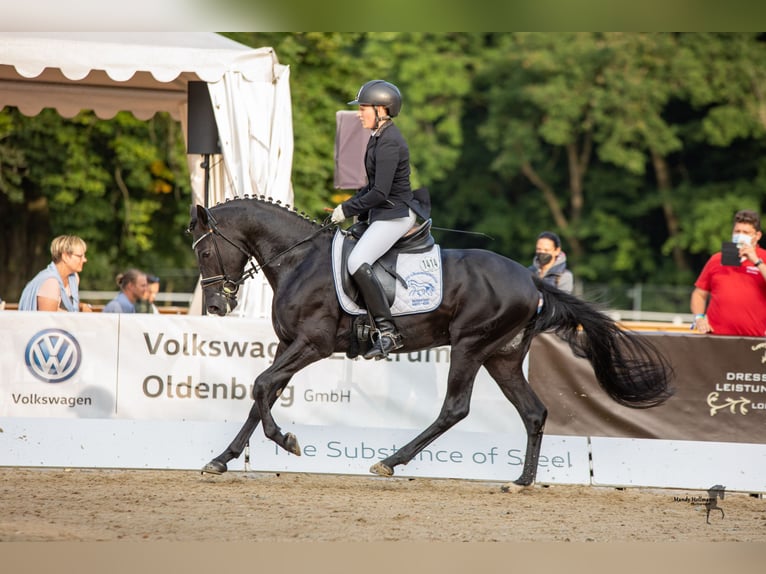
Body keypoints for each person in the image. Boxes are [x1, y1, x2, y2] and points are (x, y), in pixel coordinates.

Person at [330, 79, 425, 359]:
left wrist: (346, 210)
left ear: (381, 109)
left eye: (363, 108)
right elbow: (369, 187)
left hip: (395, 215)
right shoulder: (378, 137)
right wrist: (350, 207)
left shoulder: (390, 143)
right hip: (381, 212)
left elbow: (381, 192)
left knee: (357, 261)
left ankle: (388, 332)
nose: (359, 114)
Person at [691, 209, 766, 336]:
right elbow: (699, 294)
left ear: (757, 236)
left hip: (755, 339)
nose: (740, 235)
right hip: (716, 337)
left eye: (746, 232)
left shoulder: (763, 258)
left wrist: (756, 261)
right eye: (737, 231)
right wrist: (699, 318)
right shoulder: (716, 259)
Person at [18, 235, 93, 312]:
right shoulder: (50, 282)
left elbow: (67, 306)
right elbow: (50, 318)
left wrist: (81, 306)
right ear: (65, 257)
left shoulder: (74, 278)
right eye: (80, 256)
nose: (84, 260)